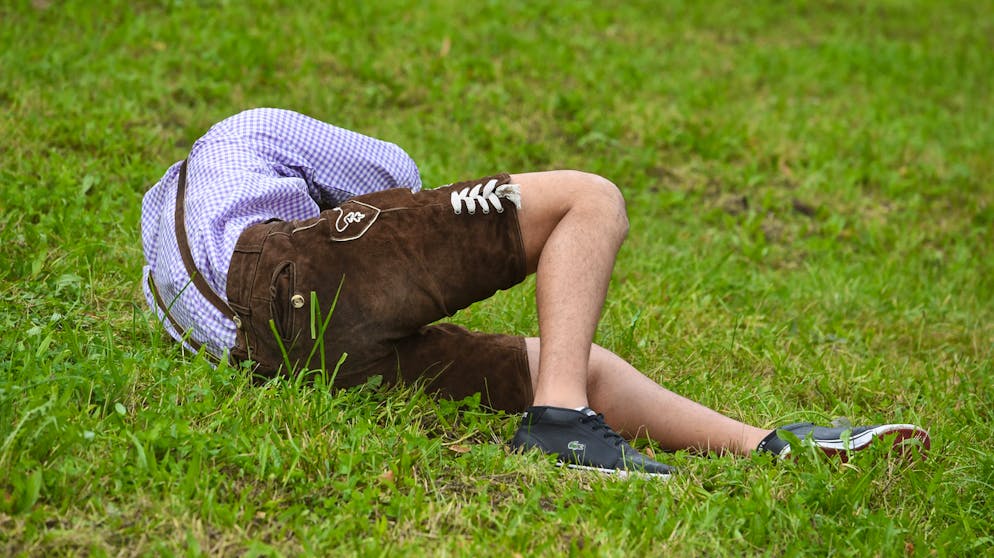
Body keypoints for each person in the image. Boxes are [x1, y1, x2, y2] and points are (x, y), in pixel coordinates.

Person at [141, 108, 929, 478]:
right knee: (590, 198)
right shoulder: (248, 132)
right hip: (285, 278)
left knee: (573, 356)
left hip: (276, 357)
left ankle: (767, 443)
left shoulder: (167, 235)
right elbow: (396, 174)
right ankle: (560, 425)